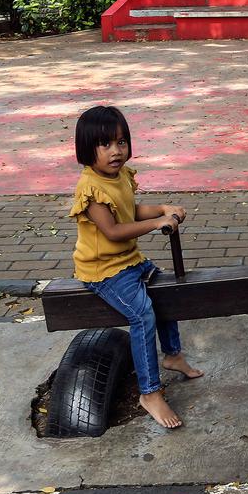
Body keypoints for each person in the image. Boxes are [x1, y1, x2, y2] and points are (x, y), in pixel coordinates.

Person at [69, 105, 203, 428]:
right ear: (87, 150)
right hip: (104, 271)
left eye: (121, 142)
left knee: (165, 292)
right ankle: (150, 393)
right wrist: (158, 222)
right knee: (142, 314)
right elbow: (114, 230)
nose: (116, 151)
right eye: (106, 145)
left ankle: (172, 354)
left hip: (128, 262)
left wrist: (161, 208)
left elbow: (131, 210)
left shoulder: (119, 177)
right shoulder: (91, 189)